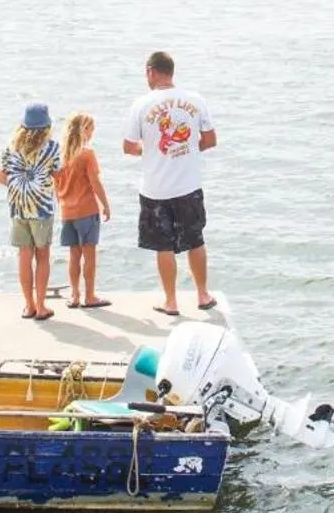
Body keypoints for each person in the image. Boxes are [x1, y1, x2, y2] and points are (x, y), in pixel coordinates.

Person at [122, 50, 218, 316]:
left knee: (164, 246)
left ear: (151, 72)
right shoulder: (195, 100)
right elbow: (210, 140)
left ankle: (171, 301)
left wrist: (152, 151)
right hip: (189, 184)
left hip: (155, 188)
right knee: (196, 240)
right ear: (171, 72)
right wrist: (188, 149)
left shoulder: (140, 105)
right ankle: (202, 294)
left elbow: (128, 147)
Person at [0, 102, 62, 321]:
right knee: (42, 256)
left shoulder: (11, 147)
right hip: (42, 208)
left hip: (17, 208)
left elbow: (1, 177)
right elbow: (59, 176)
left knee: (23, 256)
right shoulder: (52, 148)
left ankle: (28, 305)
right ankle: (42, 306)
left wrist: (20, 186)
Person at [55, 111, 113, 310]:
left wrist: (62, 201)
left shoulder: (60, 156)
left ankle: (74, 295)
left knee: (73, 255)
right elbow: (94, 182)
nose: (93, 133)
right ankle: (90, 296)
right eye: (91, 129)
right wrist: (105, 204)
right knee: (89, 254)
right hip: (87, 210)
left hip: (67, 212)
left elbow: (55, 185)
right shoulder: (87, 154)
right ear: (84, 130)